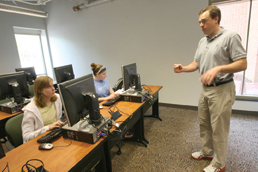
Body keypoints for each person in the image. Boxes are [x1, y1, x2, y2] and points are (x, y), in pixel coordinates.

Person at [174, 5, 247, 172]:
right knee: (204, 122)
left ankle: (219, 163)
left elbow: (243, 63)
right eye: (199, 22)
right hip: (205, 89)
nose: (201, 25)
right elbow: (197, 63)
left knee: (219, 128)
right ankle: (207, 152)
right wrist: (184, 68)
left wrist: (219, 68)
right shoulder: (203, 40)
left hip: (222, 88)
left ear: (216, 19)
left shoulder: (230, 36)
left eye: (204, 21)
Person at [22, 76, 65, 143]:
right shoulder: (30, 110)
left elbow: (58, 119)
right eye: (49, 87)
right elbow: (26, 137)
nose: (53, 89)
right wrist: (48, 128)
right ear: (39, 90)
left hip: (54, 135)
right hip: (39, 141)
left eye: (53, 86)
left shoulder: (57, 98)